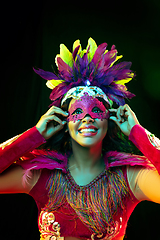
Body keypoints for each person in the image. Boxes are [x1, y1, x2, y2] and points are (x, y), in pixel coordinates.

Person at [0, 37, 160, 240]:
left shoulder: (131, 178)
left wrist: (138, 133)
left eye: (96, 110)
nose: (86, 118)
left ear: (108, 121)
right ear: (64, 122)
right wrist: (34, 135)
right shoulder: (40, 175)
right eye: (77, 112)